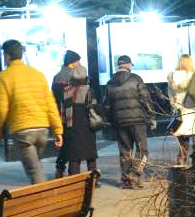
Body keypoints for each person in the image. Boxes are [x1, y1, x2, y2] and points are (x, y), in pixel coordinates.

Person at [0, 39, 63, 184]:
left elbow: (0, 108)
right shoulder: (38, 75)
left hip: (23, 132)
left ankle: (45, 197)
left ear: (7, 56)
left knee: (35, 173)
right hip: (42, 131)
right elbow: (50, 105)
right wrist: (57, 130)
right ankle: (43, 194)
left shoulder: (4, 76)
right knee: (36, 168)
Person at [105, 54, 154, 188]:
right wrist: (151, 116)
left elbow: (107, 106)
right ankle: (134, 175)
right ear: (127, 65)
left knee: (125, 151)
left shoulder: (110, 82)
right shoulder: (136, 79)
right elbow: (145, 99)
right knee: (142, 150)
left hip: (119, 122)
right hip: (137, 121)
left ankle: (127, 180)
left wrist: (112, 121)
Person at [57, 64, 99, 178]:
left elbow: (62, 112)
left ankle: (74, 180)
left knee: (74, 158)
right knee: (91, 156)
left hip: (71, 128)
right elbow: (95, 109)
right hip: (87, 128)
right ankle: (93, 180)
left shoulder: (65, 91)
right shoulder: (89, 91)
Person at [168, 54, 195, 165]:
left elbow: (171, 98)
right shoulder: (194, 76)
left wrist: (175, 108)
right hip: (193, 113)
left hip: (179, 115)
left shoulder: (172, 77)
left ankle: (181, 167)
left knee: (182, 147)